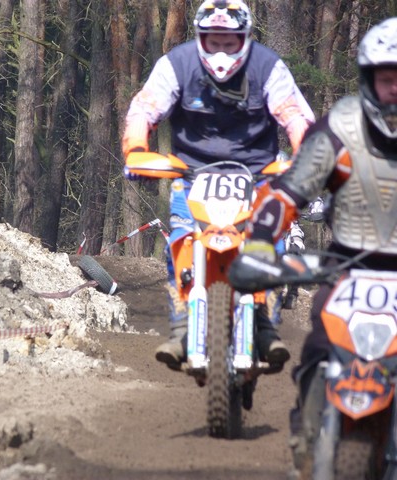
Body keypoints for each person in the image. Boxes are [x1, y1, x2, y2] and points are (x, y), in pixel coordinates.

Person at [235, 17, 397, 474]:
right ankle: (307, 445)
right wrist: (259, 243)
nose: (396, 90)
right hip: (348, 267)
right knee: (321, 346)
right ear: (368, 79)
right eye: (388, 79)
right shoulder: (340, 129)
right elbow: (289, 192)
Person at [122, 0, 315, 369]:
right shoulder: (176, 65)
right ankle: (182, 325)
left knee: (269, 239)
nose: (222, 51)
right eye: (214, 41)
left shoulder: (268, 66)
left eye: (230, 42)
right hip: (192, 172)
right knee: (182, 239)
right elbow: (144, 109)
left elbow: (296, 117)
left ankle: (263, 320)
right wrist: (135, 150)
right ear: (200, 38)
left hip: (257, 172)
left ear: (245, 38)